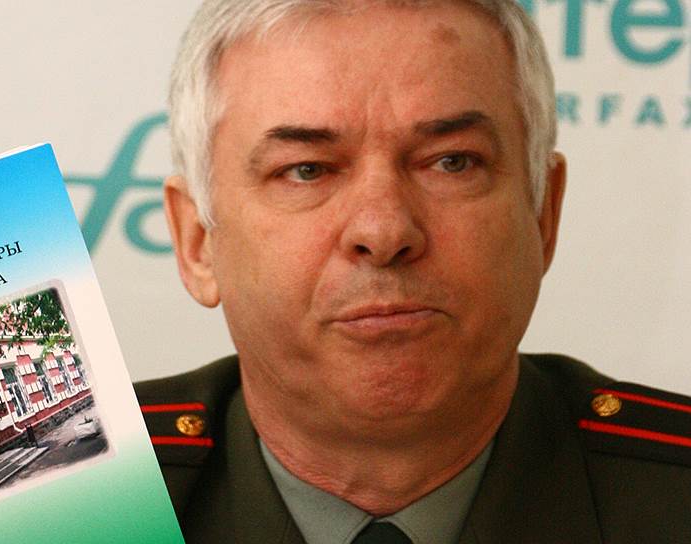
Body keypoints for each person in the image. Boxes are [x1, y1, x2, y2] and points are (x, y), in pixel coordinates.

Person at [134, 1, 691, 542]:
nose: (384, 231)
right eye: (306, 171)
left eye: (452, 162)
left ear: (543, 213)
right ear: (197, 241)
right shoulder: (91, 500)